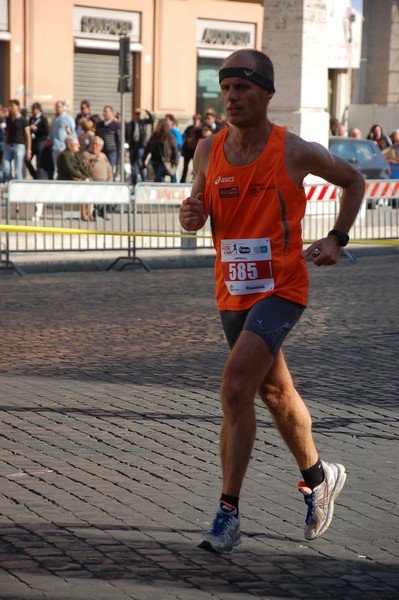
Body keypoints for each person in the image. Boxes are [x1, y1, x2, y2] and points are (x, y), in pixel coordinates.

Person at [179, 48, 365, 554]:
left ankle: (227, 513)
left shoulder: (293, 150)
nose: (232, 97)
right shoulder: (206, 149)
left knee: (236, 385)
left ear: (266, 94)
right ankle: (319, 476)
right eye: (227, 88)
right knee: (274, 394)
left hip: (281, 287)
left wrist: (337, 238)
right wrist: (190, 214)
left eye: (242, 88)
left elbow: (354, 180)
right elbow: (195, 207)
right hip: (232, 290)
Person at [56, 134, 92, 221]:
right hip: (67, 180)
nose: (79, 146)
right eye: (76, 144)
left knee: (90, 187)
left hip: (77, 179)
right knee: (84, 188)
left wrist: (88, 176)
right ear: (69, 145)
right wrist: (84, 178)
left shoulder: (76, 155)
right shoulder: (64, 155)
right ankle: (83, 213)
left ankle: (90, 213)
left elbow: (82, 168)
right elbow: (71, 171)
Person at [81, 135, 113, 220]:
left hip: (105, 181)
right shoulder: (86, 154)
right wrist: (96, 160)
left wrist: (109, 181)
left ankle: (103, 211)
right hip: (93, 181)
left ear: (101, 147)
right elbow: (86, 168)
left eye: (97, 145)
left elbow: (109, 169)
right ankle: (93, 212)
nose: (95, 146)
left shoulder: (103, 156)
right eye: (93, 144)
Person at [2, 99, 31, 182]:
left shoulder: (23, 119)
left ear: (17, 106)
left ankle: (19, 187)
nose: (10, 108)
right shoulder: (8, 119)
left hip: (19, 146)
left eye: (12, 106)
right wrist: (5, 144)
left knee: (18, 171)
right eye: (9, 106)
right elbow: (7, 132)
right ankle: (8, 186)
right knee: (6, 169)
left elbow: (28, 135)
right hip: (8, 146)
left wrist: (29, 150)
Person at [126, 108, 155, 186]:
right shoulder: (130, 124)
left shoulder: (143, 122)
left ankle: (143, 181)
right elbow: (127, 135)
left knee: (140, 163)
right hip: (132, 146)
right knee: (133, 165)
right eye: (136, 113)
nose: (137, 115)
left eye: (138, 113)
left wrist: (147, 111)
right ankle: (134, 182)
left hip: (141, 146)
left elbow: (152, 119)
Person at [48, 100, 76, 174]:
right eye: (56, 107)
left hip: (63, 146)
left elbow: (73, 133)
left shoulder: (68, 118)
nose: (57, 108)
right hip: (55, 147)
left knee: (64, 167)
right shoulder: (55, 119)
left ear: (63, 107)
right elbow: (51, 132)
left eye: (59, 107)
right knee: (56, 168)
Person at [25, 102, 49, 179]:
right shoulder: (32, 119)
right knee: (27, 160)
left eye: (34, 109)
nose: (32, 111)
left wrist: (36, 129)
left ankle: (39, 177)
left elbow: (46, 131)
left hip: (40, 141)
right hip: (32, 142)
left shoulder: (43, 119)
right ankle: (34, 175)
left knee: (39, 161)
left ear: (38, 109)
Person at [96, 105, 120, 179]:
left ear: (111, 113)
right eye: (104, 111)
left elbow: (119, 138)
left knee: (110, 168)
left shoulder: (116, 125)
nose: (104, 113)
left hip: (112, 150)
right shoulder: (100, 125)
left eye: (106, 111)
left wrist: (119, 150)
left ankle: (110, 181)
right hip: (101, 150)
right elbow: (96, 136)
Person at [181, 113, 202, 183]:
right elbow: (184, 136)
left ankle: (195, 180)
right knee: (185, 166)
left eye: (197, 119)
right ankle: (183, 180)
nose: (196, 121)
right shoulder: (189, 128)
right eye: (194, 119)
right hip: (188, 150)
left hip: (195, 150)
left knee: (196, 167)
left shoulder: (200, 129)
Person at [165, 114, 182, 182]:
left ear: (172, 122)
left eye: (167, 120)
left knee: (174, 173)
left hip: (174, 155)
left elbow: (179, 143)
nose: (166, 122)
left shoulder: (175, 132)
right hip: (167, 156)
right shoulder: (165, 132)